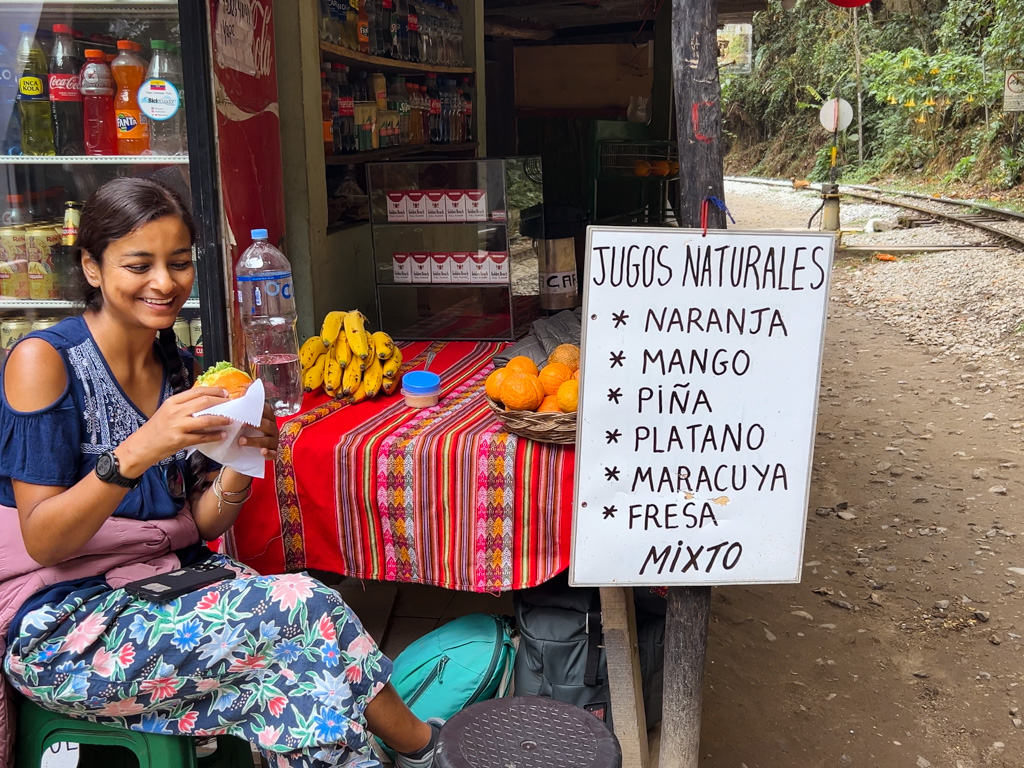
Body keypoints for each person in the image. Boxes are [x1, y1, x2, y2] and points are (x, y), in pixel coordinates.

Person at [0, 177, 440, 768]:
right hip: (65, 626)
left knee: (300, 675)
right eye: (139, 264)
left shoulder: (180, 368)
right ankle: (424, 748)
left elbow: (198, 522)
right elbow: (44, 538)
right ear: (93, 268)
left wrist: (242, 461)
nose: (165, 283)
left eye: (178, 263)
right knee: (303, 606)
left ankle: (403, 754)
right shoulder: (44, 362)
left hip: (164, 584)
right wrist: (140, 448)